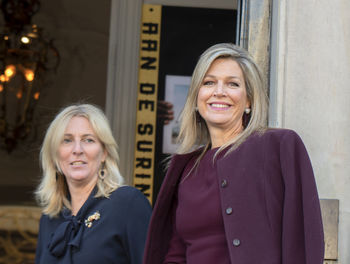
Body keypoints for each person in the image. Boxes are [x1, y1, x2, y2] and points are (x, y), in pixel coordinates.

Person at [143, 43, 324, 264]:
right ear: (196, 97)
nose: (219, 92)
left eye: (232, 84)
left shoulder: (279, 147)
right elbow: (176, 254)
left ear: (248, 99)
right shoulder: (185, 170)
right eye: (209, 82)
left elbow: (302, 242)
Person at [35, 104, 151, 264]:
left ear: (104, 152)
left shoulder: (128, 204)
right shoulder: (50, 217)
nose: (77, 149)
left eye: (88, 140)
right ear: (55, 155)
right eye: (67, 140)